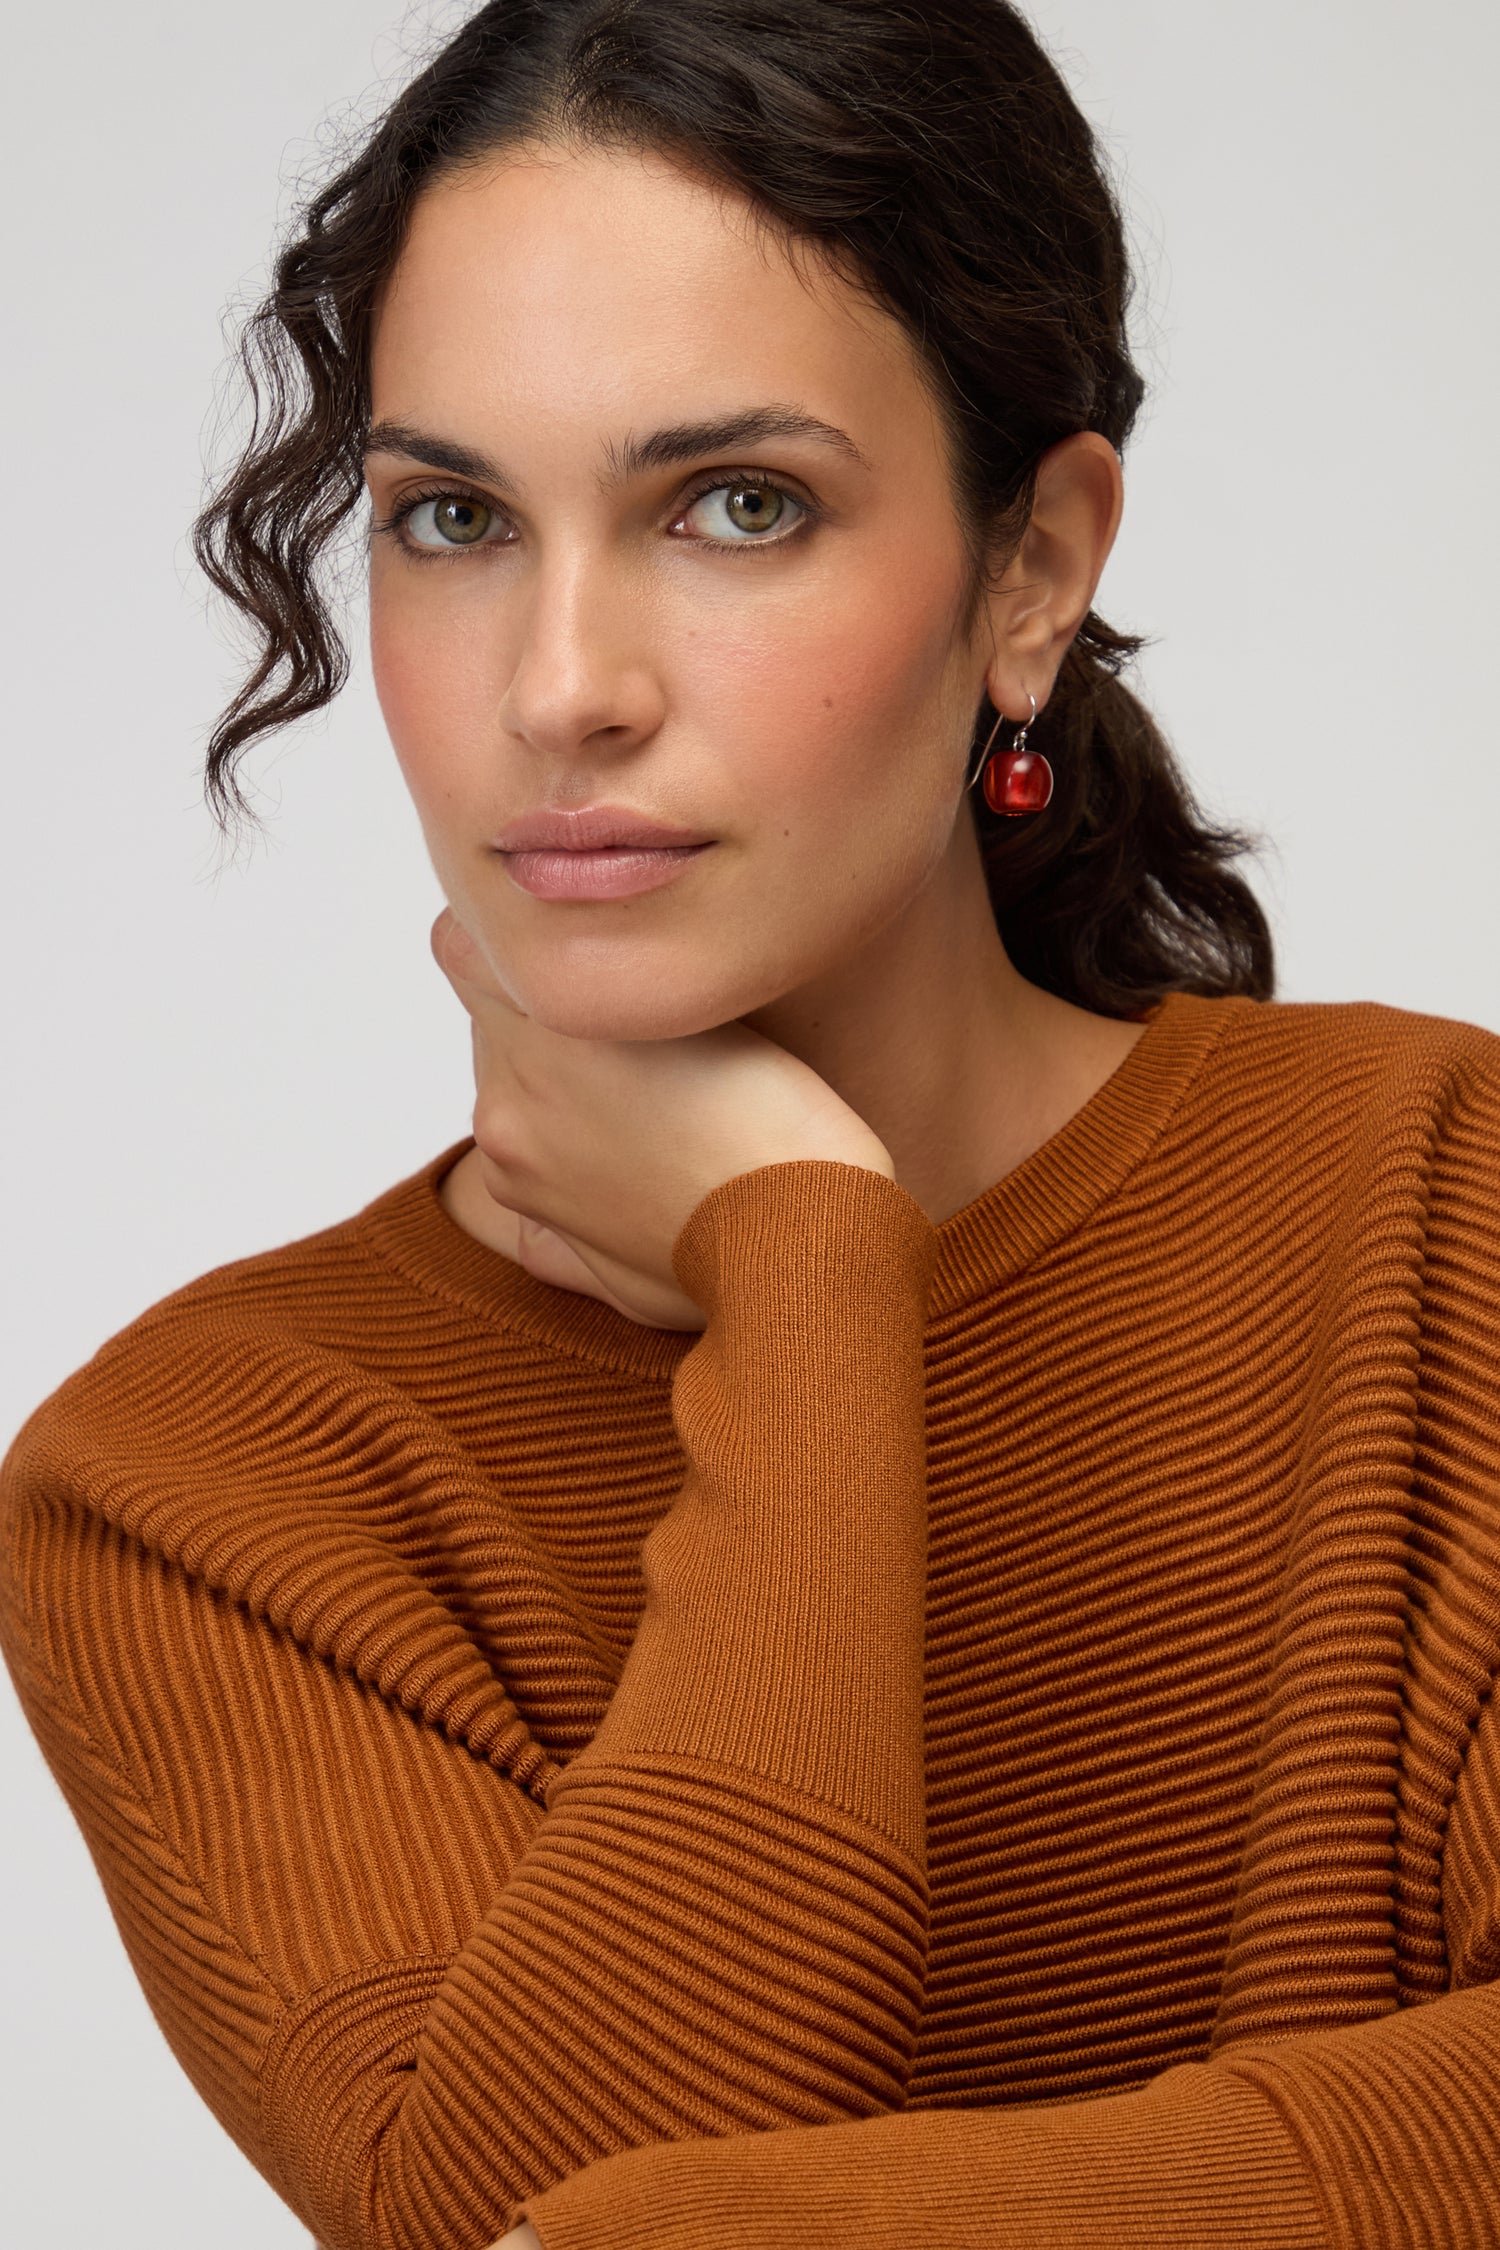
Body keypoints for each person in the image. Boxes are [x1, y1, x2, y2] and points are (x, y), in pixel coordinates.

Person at [3, 2, 1498, 2246]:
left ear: (1032, 572)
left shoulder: (1441, 1207)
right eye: (451, 518)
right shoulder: (202, 1488)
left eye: (736, 504)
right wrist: (804, 1263)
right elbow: (498, 2207)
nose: (560, 683)